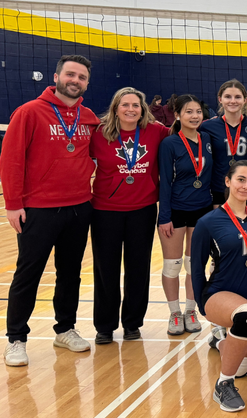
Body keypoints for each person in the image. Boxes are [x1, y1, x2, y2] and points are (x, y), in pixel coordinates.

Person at [1, 54, 100, 366]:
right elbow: (11, 160)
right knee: (28, 274)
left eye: (81, 77)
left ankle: (65, 329)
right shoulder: (29, 112)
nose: (75, 81)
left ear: (86, 83)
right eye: (70, 74)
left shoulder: (89, 117)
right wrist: (13, 204)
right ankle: (16, 338)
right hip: (38, 209)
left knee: (70, 274)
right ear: (56, 76)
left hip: (79, 207)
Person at [88, 87, 168, 344]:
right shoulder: (98, 134)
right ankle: (105, 326)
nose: (131, 109)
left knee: (138, 268)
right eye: (126, 105)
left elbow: (185, 134)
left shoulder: (156, 132)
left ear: (143, 109)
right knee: (105, 270)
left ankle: (132, 323)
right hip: (104, 211)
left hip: (142, 211)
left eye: (136, 105)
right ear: (115, 108)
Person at [191, 161, 247, 412]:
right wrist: (203, 304)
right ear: (227, 181)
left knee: (244, 366)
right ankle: (223, 384)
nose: (246, 186)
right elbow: (196, 267)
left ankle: (223, 342)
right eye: (241, 180)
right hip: (222, 293)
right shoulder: (208, 222)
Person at [157, 94, 213, 336]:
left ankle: (191, 310)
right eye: (189, 111)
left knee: (194, 265)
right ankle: (174, 313)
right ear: (178, 115)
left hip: (202, 210)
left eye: (198, 111)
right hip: (176, 210)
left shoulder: (207, 139)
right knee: (172, 266)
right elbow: (165, 183)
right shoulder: (170, 144)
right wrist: (164, 216)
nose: (195, 116)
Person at [200, 80, 247, 207]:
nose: (233, 101)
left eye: (238, 97)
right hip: (219, 188)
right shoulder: (207, 127)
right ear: (220, 99)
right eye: (228, 97)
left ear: (245, 100)